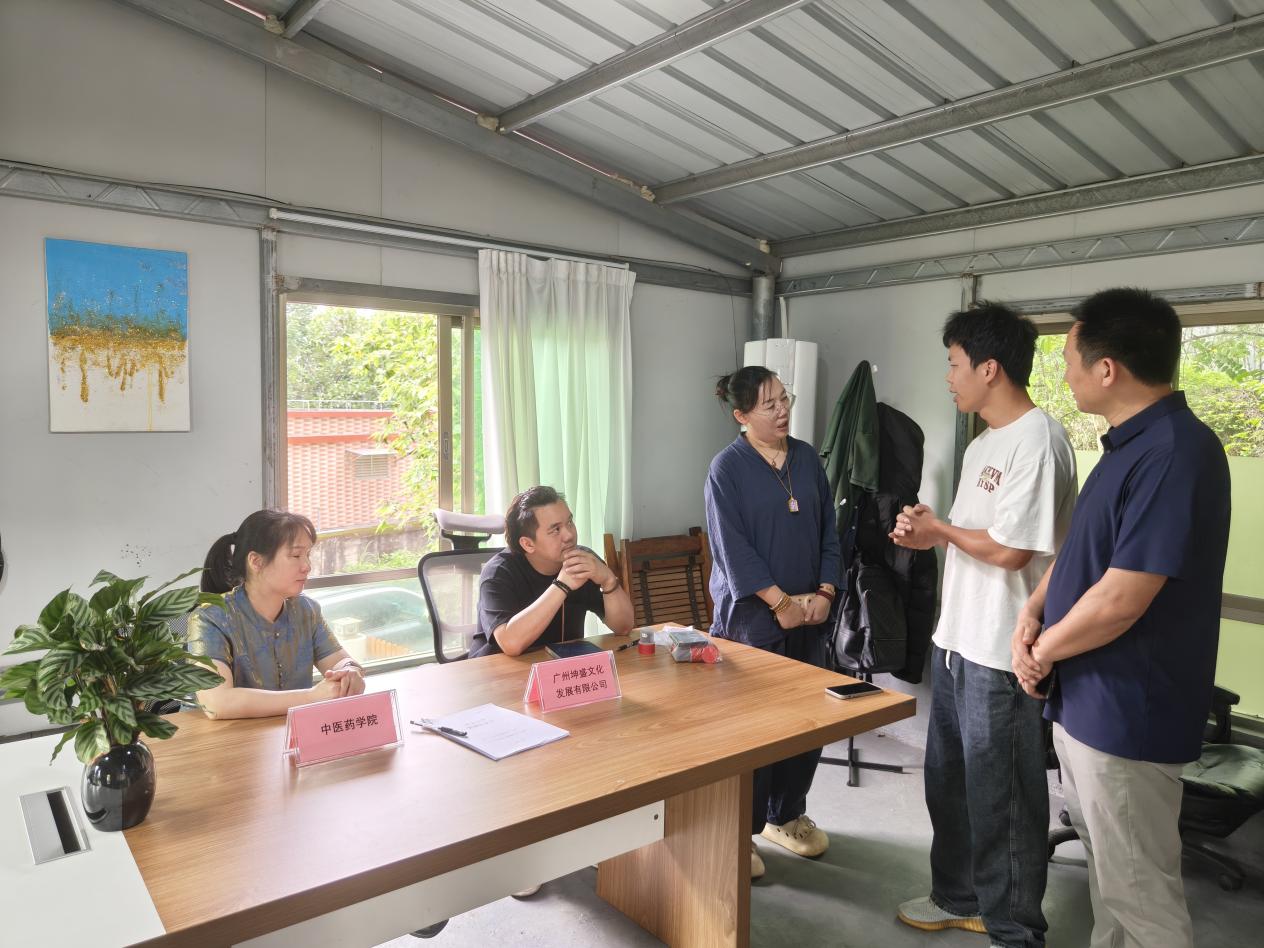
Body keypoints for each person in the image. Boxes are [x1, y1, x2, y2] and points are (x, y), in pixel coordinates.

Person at [1012, 288, 1231, 948]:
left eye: (1070, 360)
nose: (1066, 374)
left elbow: (1122, 598)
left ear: (1107, 368)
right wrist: (1032, 610)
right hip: (1088, 703)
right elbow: (1084, 552)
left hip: (1127, 715)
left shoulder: (1176, 452)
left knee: (1142, 899)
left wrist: (1042, 650)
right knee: (1113, 885)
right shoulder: (1124, 447)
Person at [890, 303, 1077, 947]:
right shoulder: (981, 445)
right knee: (949, 785)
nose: (949, 376)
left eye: (954, 363)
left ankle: (1014, 929)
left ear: (989, 367)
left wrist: (941, 529)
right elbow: (972, 539)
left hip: (1003, 652)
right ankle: (958, 896)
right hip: (957, 642)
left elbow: (1012, 550)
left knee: (1006, 798)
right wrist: (928, 533)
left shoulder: (1039, 440)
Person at [704, 365, 841, 881]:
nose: (783, 410)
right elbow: (730, 548)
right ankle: (740, 830)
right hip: (753, 619)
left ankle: (785, 815)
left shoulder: (806, 458)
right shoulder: (726, 468)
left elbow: (829, 530)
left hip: (809, 614)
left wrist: (826, 591)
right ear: (741, 416)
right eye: (769, 405)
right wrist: (778, 601)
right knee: (755, 731)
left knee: (806, 721)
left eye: (785, 399)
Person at [188, 509, 365, 719]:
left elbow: (340, 662)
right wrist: (312, 696)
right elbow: (217, 703)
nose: (307, 566)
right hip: (222, 736)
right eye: (296, 555)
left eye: (308, 555)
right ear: (256, 561)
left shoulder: (306, 610)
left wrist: (349, 672)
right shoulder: (209, 618)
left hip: (285, 732)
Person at [472, 485, 634, 658]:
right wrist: (562, 585)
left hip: (558, 667)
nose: (569, 535)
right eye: (556, 529)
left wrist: (608, 580)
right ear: (528, 544)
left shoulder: (582, 561)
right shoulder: (498, 573)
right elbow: (511, 643)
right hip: (497, 669)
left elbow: (624, 627)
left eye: (569, 522)